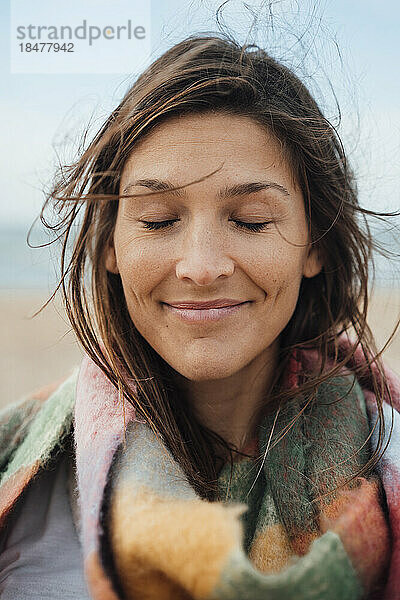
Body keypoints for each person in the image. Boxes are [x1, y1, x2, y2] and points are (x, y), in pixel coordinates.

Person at [0, 33, 399, 600]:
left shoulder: (389, 467)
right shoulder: (23, 476)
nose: (202, 266)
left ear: (315, 242)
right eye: (160, 220)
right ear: (111, 245)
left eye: (252, 220)